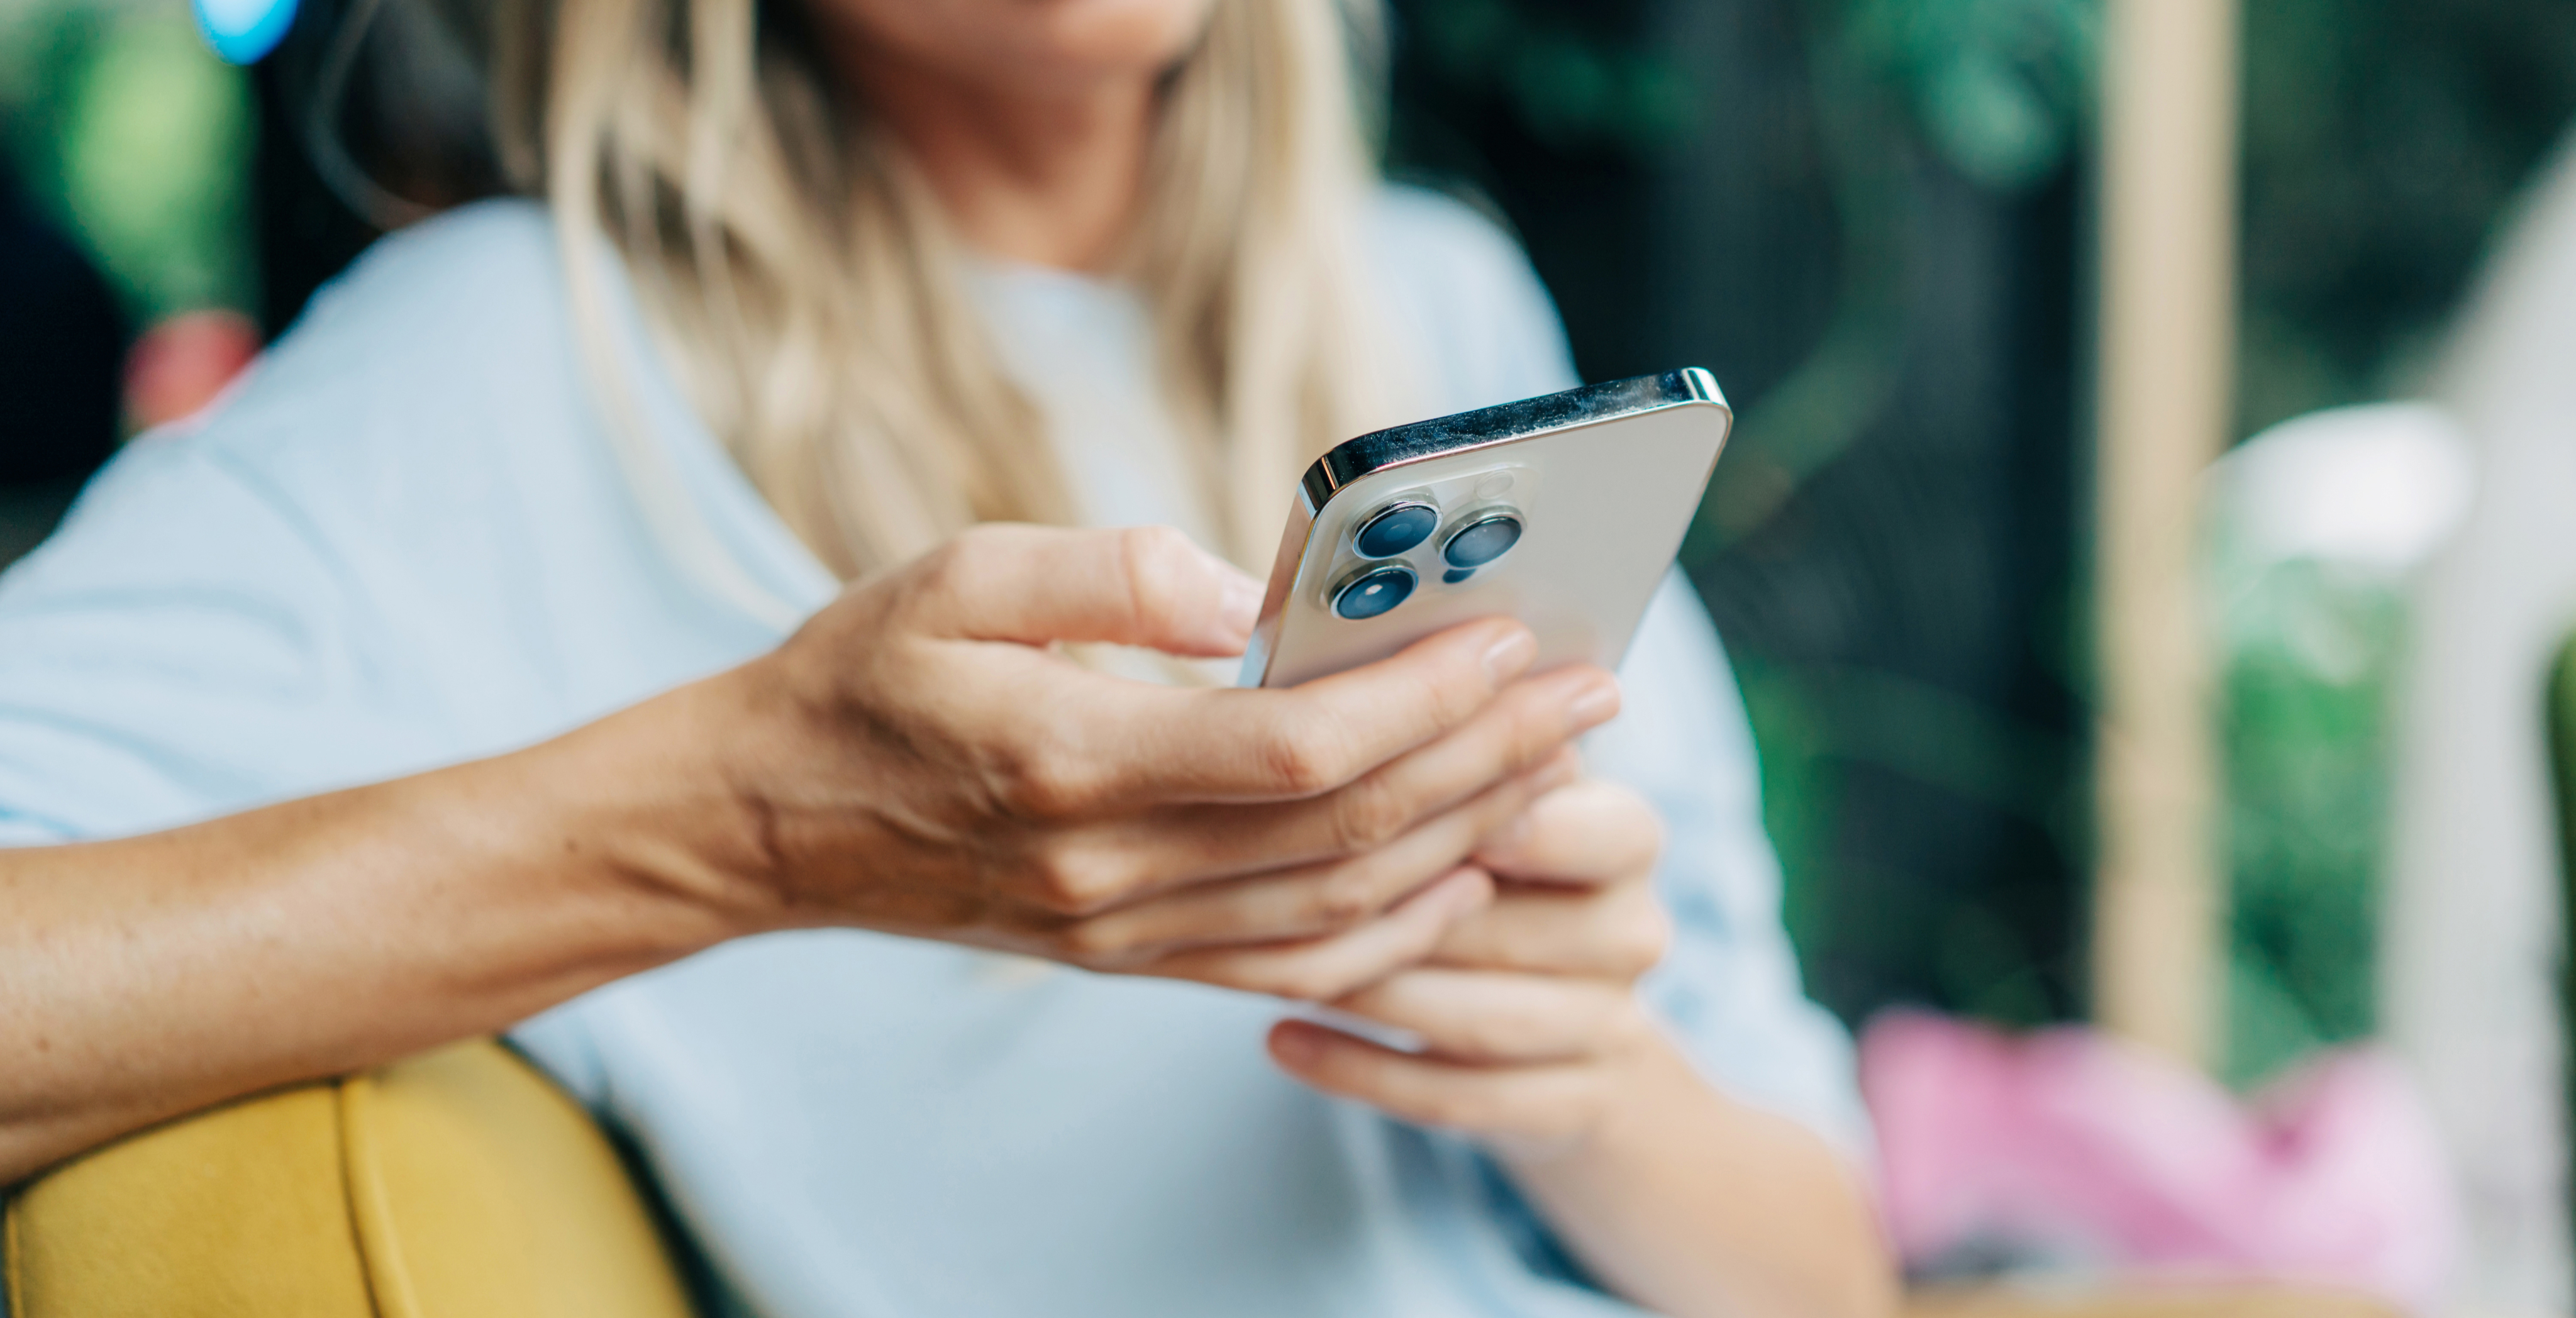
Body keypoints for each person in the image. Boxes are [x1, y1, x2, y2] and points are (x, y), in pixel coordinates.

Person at [0, 1, 1893, 1315]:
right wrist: (744, 832)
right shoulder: (510, 363)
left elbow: (1826, 1276)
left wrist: (1574, 1067)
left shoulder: (1428, 296)